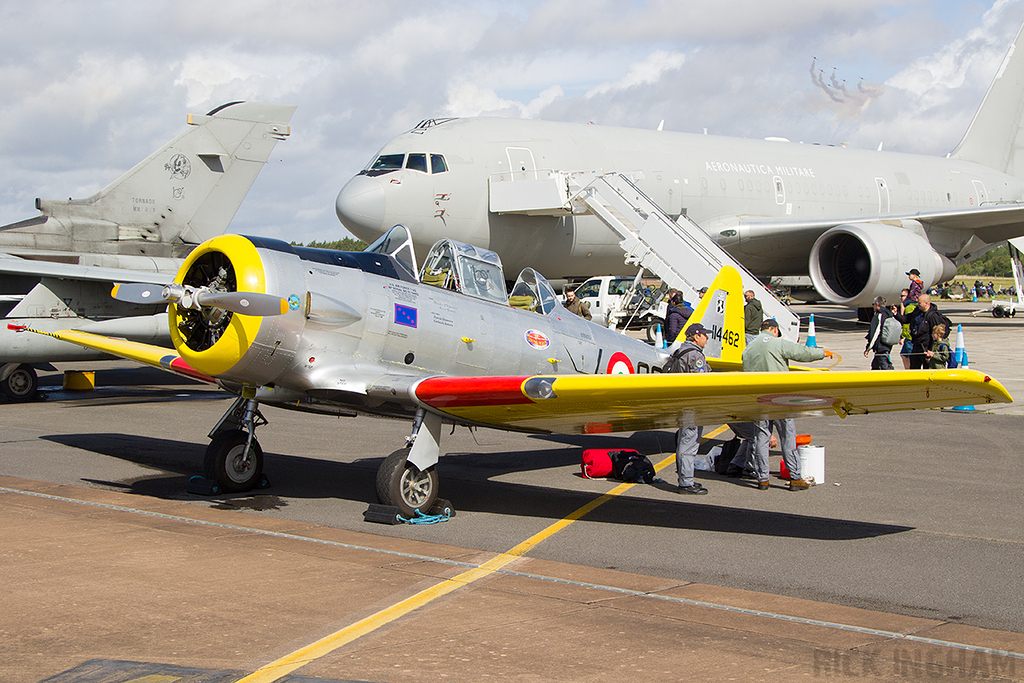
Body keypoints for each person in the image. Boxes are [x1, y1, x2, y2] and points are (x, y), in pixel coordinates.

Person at [741, 319, 831, 490]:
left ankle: (762, 479)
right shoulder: (777, 343)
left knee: (761, 438)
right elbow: (802, 353)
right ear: (774, 330)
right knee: (787, 437)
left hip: (759, 400)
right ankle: (795, 478)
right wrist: (822, 354)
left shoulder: (749, 348)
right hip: (779, 399)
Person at [666, 322, 712, 494]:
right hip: (692, 406)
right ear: (696, 336)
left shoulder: (679, 352)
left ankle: (686, 479)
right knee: (689, 444)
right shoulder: (695, 356)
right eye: (704, 335)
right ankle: (686, 483)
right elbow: (702, 382)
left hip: (682, 403)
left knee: (685, 442)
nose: (707, 338)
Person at [894, 293, 945, 370]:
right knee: (914, 368)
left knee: (927, 370)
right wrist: (896, 314)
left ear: (926, 303)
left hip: (926, 347)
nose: (918, 304)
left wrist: (931, 351)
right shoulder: (917, 311)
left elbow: (936, 334)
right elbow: (906, 319)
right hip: (916, 345)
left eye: (919, 303)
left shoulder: (933, 316)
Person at [864, 295, 894, 369]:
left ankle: (892, 379)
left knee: (885, 367)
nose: (873, 306)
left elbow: (875, 333)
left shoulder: (879, 316)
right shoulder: (889, 315)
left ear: (877, 305)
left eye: (873, 304)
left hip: (881, 347)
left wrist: (868, 348)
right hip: (888, 345)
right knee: (875, 366)